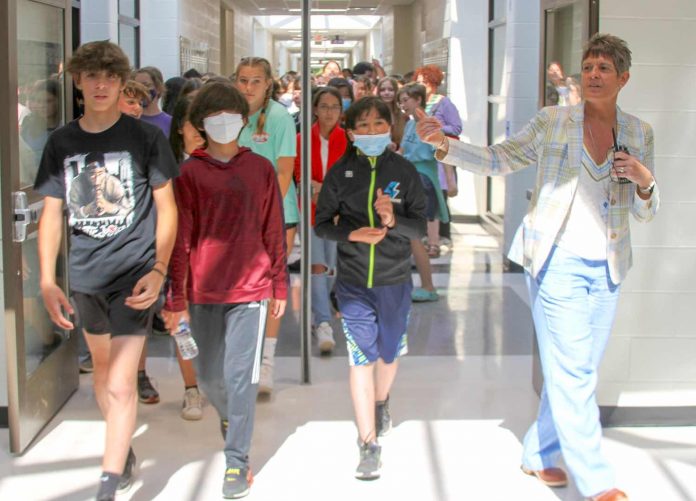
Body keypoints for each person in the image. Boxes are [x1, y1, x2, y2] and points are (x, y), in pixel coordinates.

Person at [416, 33, 658, 501]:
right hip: (557, 261)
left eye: (604, 68)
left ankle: (540, 455)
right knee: (572, 372)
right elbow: (500, 159)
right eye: (587, 66)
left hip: (607, 265)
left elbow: (644, 211)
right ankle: (597, 481)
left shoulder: (639, 134)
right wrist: (445, 146)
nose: (593, 75)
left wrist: (646, 183)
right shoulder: (553, 122)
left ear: (623, 78)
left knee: (579, 368)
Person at [34, 41, 178, 501]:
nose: (100, 85)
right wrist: (46, 279)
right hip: (86, 276)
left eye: (110, 77)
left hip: (134, 275)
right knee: (101, 375)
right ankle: (123, 451)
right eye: (91, 76)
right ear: (77, 81)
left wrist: (158, 269)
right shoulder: (62, 142)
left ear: (122, 83)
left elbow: (167, 208)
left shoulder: (146, 139)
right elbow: (52, 214)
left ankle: (108, 482)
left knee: (120, 381)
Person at [162, 81, 287, 499]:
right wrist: (176, 297)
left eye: (232, 115)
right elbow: (181, 238)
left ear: (244, 121)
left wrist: (280, 284)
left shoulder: (260, 169)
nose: (224, 123)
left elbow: (273, 228)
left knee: (240, 378)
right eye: (214, 117)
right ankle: (230, 418)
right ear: (199, 124)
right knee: (212, 377)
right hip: (204, 289)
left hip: (252, 290)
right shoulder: (189, 173)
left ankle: (237, 462)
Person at [315, 96, 426, 480]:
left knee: (389, 353)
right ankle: (368, 443)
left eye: (379, 124)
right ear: (350, 132)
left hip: (395, 279)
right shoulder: (340, 173)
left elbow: (421, 227)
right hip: (353, 281)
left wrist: (393, 218)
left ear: (390, 127)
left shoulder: (405, 171)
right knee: (361, 356)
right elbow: (321, 224)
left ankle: (381, 401)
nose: (372, 131)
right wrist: (353, 233)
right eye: (363, 126)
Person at [234, 57, 297, 395]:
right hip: (238, 215)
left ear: (268, 83)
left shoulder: (280, 117)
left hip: (277, 214)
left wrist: (268, 215)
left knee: (273, 284)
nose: (248, 87)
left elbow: (284, 171)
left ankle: (267, 361)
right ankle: (245, 356)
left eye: (255, 81)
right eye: (243, 80)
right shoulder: (230, 115)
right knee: (244, 287)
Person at [293, 86, 348, 355]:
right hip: (312, 212)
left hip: (339, 214)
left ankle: (320, 312)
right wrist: (321, 187)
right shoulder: (302, 139)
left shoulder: (346, 140)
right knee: (316, 265)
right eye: (324, 106)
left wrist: (321, 187)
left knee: (331, 267)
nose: (329, 112)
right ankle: (323, 322)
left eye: (334, 107)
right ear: (315, 109)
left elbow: (348, 180)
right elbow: (301, 179)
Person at [398, 83, 448, 302]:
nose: (403, 104)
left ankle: (428, 286)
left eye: (406, 100)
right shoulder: (410, 125)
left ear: (418, 100)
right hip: (409, 178)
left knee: (415, 237)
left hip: (422, 180)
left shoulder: (429, 126)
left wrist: (451, 183)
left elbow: (444, 151)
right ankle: (421, 285)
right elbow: (403, 150)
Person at [414, 64, 463, 249]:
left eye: (426, 82)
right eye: (419, 82)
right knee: (426, 197)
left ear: (434, 83)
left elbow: (456, 127)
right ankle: (429, 235)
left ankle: (444, 235)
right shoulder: (417, 105)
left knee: (441, 195)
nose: (423, 85)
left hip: (442, 156)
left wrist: (437, 128)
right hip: (423, 157)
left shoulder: (444, 103)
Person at [135, 66, 173, 137]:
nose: (140, 89)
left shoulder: (170, 123)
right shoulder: (129, 120)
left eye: (146, 85)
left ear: (158, 88)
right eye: (136, 85)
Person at [376, 76, 405, 150]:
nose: (386, 93)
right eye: (382, 90)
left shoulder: (403, 115)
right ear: (378, 93)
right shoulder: (372, 115)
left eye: (391, 90)